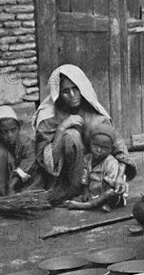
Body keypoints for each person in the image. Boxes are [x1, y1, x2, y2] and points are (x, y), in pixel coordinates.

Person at [34, 64, 136, 204]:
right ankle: (72, 191)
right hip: (61, 180)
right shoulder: (48, 117)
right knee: (72, 135)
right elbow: (46, 162)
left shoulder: (94, 115)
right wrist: (61, 128)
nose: (72, 96)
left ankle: (89, 191)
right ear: (58, 93)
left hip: (92, 177)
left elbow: (119, 147)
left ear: (82, 88)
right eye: (65, 91)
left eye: (76, 89)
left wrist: (120, 176)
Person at [64, 124, 126, 212]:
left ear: (111, 149)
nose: (99, 150)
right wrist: (86, 192)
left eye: (105, 148)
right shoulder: (87, 159)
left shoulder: (112, 163)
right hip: (92, 191)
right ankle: (91, 201)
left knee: (111, 194)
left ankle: (86, 206)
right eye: (96, 146)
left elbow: (110, 184)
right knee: (82, 196)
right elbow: (84, 178)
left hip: (106, 192)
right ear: (90, 144)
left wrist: (100, 197)